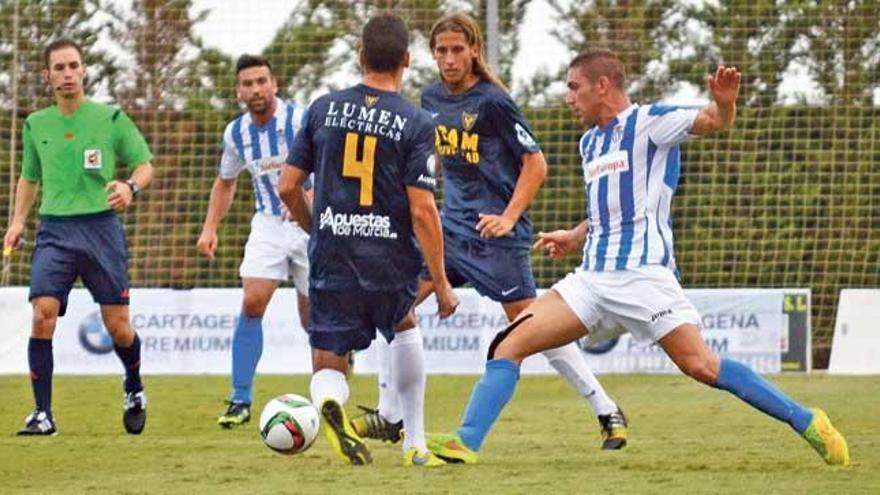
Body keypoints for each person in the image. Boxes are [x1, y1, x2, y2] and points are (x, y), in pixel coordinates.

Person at [425, 49, 850, 466]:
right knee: (508, 344)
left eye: (575, 88)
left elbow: (711, 120)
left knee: (701, 365)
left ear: (603, 86)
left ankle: (807, 419)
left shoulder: (651, 123)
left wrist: (724, 105)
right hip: (591, 279)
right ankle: (467, 442)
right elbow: (607, 211)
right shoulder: (589, 142)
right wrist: (574, 236)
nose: (569, 98)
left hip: (644, 277)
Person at [352, 12, 628, 451]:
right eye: (441, 50)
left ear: (474, 50)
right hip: (452, 230)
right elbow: (439, 159)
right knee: (395, 304)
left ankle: (606, 408)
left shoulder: (494, 102)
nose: (449, 58)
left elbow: (535, 164)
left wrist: (509, 216)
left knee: (532, 330)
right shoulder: (429, 98)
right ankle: (390, 415)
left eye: (457, 49)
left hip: (498, 239)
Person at [278, 12, 460, 467]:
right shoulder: (417, 122)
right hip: (387, 254)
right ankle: (415, 445)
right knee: (403, 328)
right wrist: (440, 280)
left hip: (332, 252)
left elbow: (287, 186)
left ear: (361, 56)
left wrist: (314, 226)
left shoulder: (322, 108)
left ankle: (328, 404)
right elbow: (422, 209)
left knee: (329, 358)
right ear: (407, 60)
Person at [3, 39, 154, 436]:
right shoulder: (36, 124)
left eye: (74, 65)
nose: (67, 73)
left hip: (102, 229)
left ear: (84, 70)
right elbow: (29, 176)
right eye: (59, 67)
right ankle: (43, 414)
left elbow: (144, 165)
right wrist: (18, 221)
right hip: (55, 229)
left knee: (118, 326)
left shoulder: (110, 118)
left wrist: (129, 188)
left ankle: (134, 387)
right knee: (42, 314)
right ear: (47, 76)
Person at [196, 54, 311, 429]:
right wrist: (210, 227)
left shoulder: (301, 119)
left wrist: (311, 201)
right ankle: (240, 399)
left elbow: (331, 165)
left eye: (262, 81)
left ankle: (335, 376)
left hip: (310, 221)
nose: (256, 89)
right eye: (248, 83)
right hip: (268, 224)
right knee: (252, 300)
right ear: (238, 91)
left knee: (313, 319)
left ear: (274, 84)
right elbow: (225, 182)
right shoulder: (236, 134)